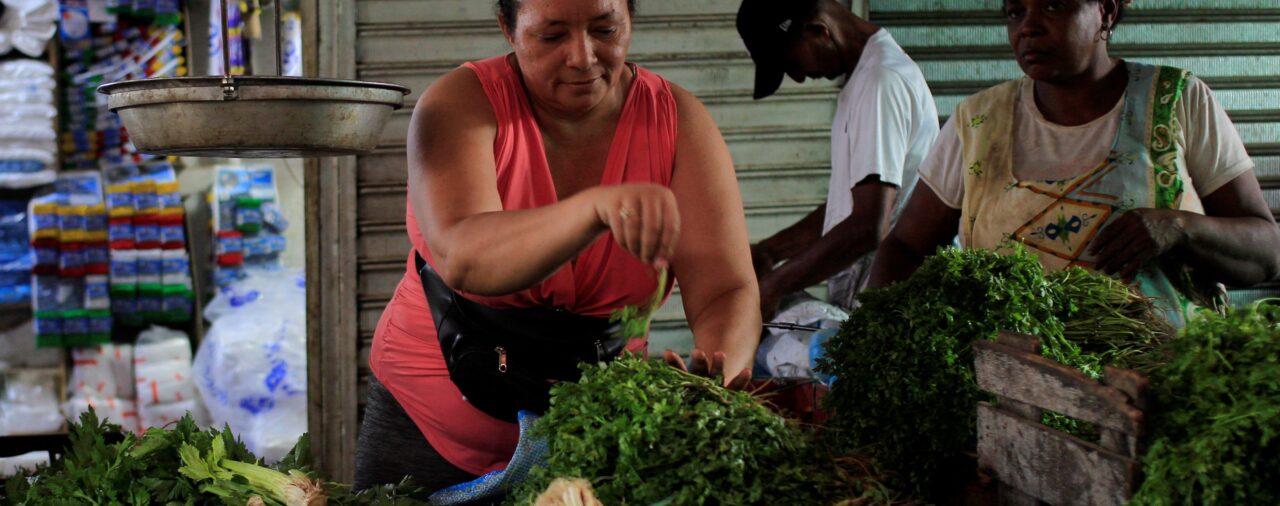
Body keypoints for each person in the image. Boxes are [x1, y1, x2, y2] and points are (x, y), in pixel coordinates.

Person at [353, 0, 762, 494]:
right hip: (430, 425)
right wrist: (591, 211)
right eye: (552, 36)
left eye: (604, 29)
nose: (583, 57)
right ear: (508, 27)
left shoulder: (677, 121)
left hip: (593, 432)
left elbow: (726, 286)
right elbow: (466, 258)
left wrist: (712, 381)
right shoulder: (459, 103)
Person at [869, 0, 1280, 326]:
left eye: (1054, 6)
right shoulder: (977, 124)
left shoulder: (1178, 101)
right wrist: (877, 334)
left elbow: (1267, 252)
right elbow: (905, 247)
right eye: (1015, 12)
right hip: (1021, 393)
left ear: (1107, 11)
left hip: (1169, 389)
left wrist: (1179, 227)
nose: (1028, 26)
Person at [736, 0, 939, 318]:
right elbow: (848, 208)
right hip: (876, 306)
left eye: (792, 63)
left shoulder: (880, 83)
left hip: (900, 311)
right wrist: (770, 251)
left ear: (818, 30)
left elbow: (867, 226)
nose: (799, 78)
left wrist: (773, 287)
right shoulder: (863, 81)